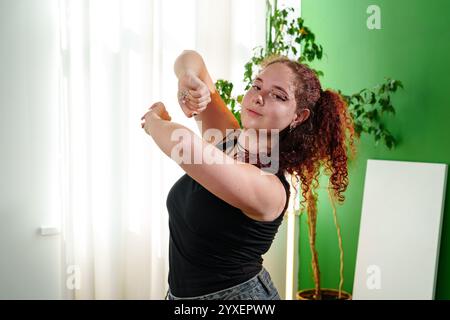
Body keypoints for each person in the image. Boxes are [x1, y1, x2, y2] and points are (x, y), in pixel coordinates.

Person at [140, 50, 355, 300]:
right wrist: (188, 78)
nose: (259, 98)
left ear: (298, 116)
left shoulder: (271, 188)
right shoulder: (227, 137)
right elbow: (191, 60)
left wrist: (154, 121)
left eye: (278, 95)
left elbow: (184, 146)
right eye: (257, 86)